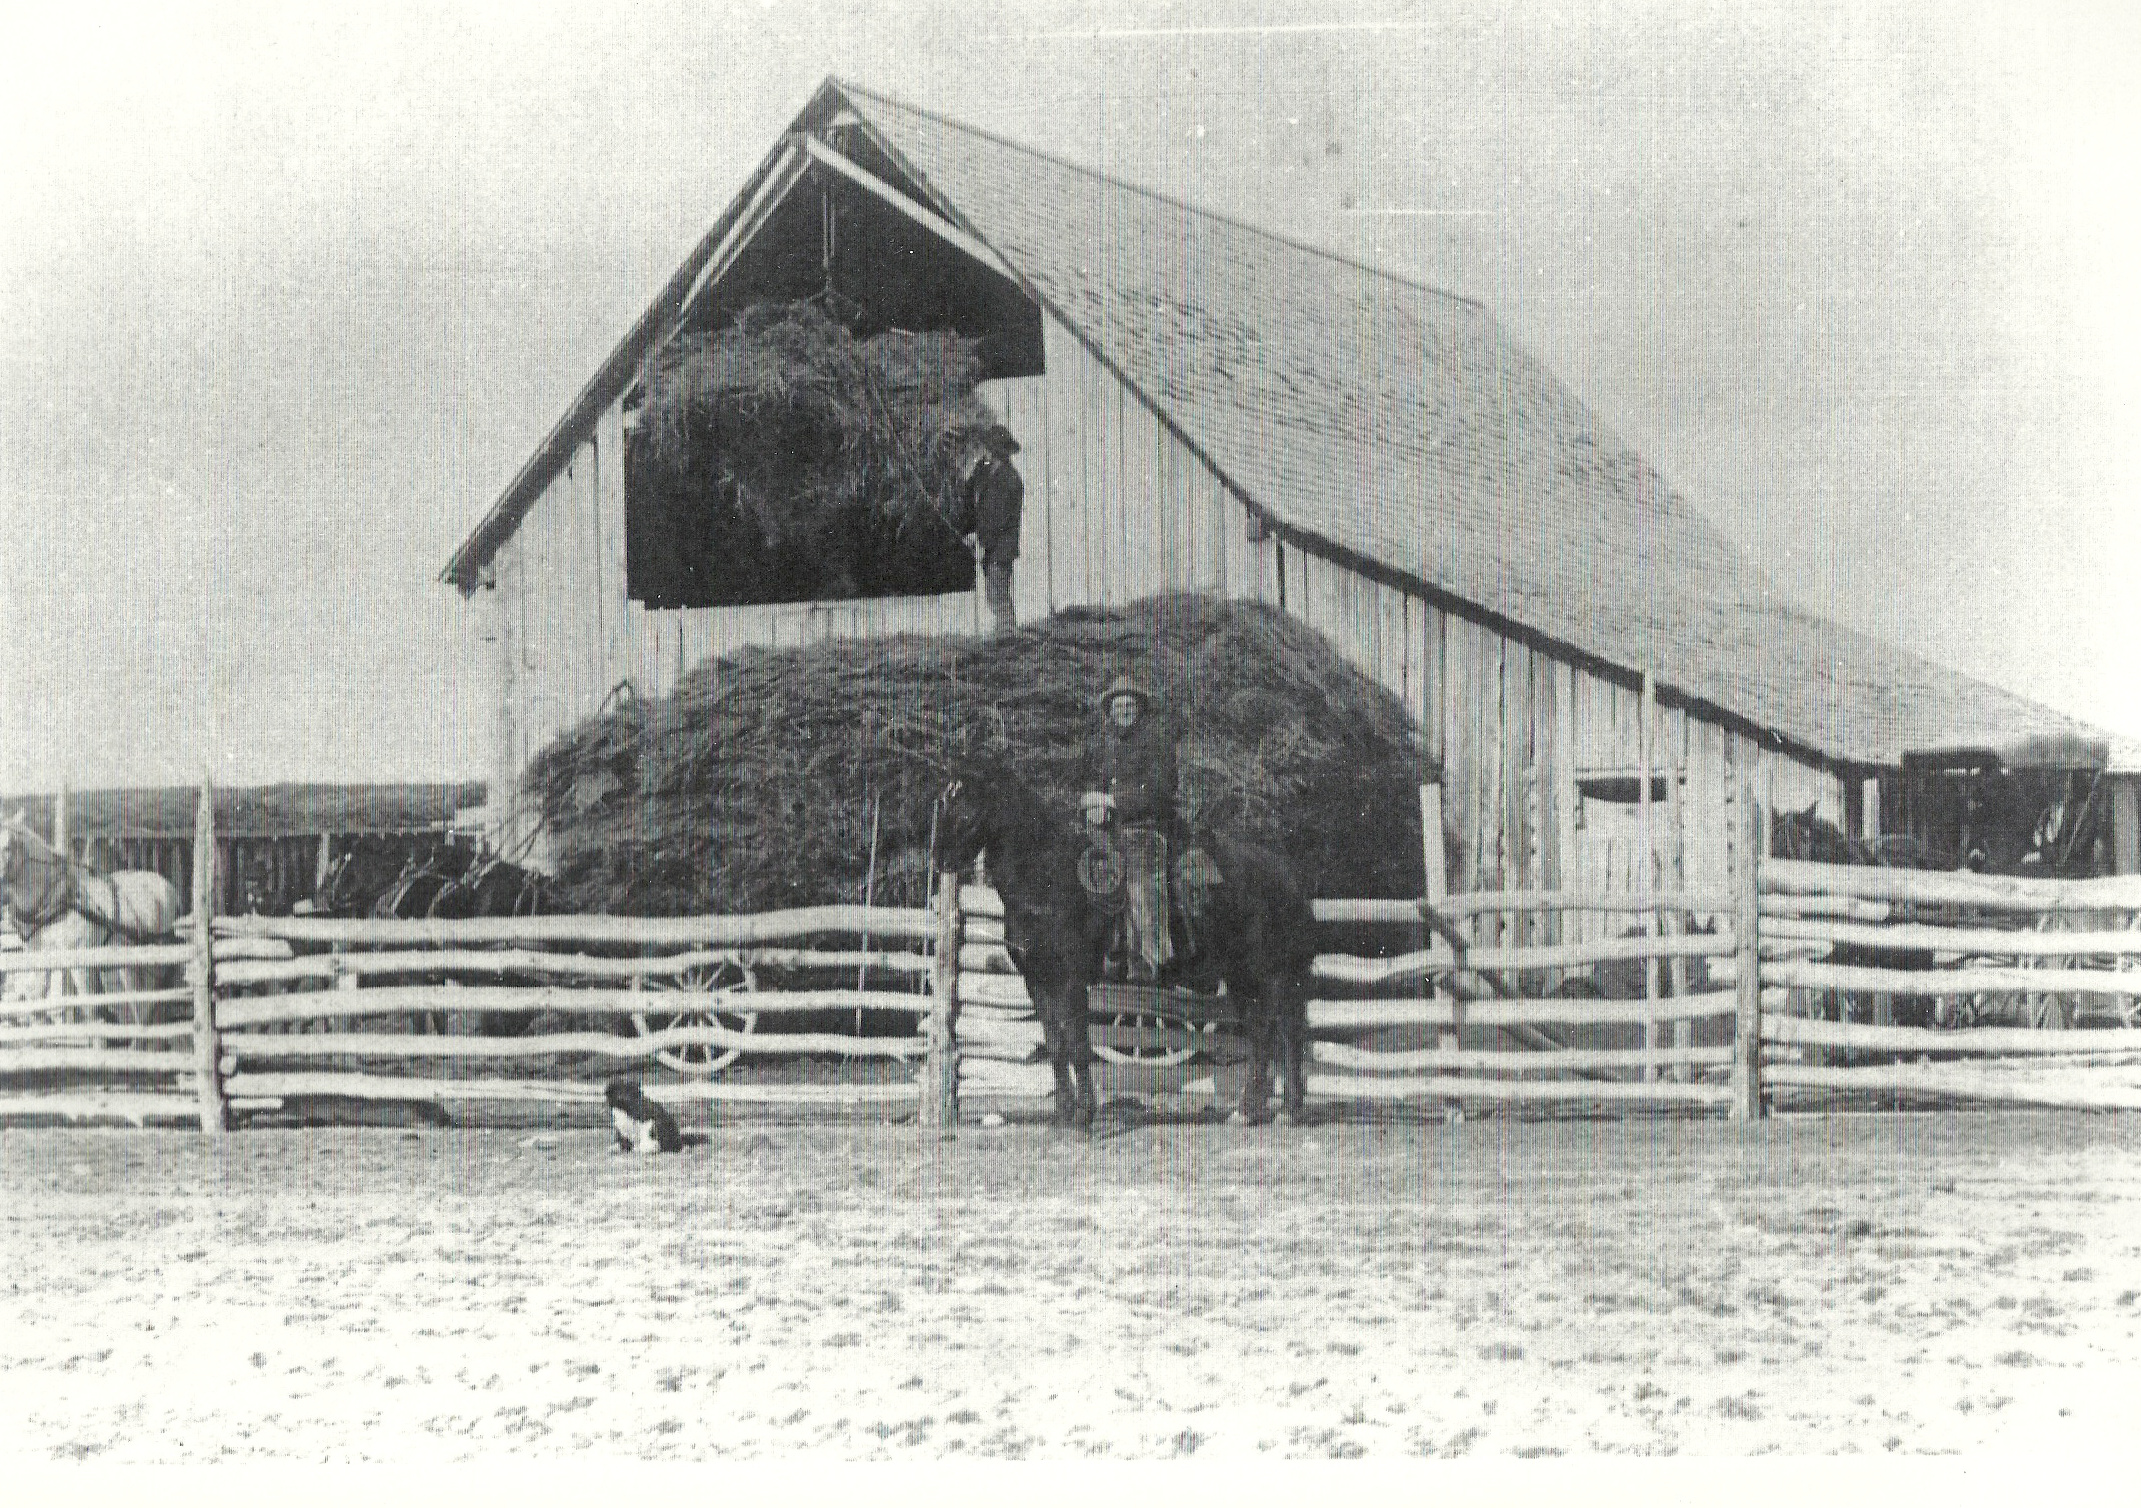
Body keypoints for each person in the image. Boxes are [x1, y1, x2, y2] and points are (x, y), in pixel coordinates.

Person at [1078, 674, 1181, 981]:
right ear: (1109, 712)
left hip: (1145, 829)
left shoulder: (1155, 741)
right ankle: (1097, 960)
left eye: (1129, 705)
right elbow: (1091, 784)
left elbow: (1159, 791)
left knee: (1141, 890)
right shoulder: (1103, 746)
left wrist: (1110, 801)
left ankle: (1154, 963)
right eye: (1117, 706)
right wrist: (1092, 804)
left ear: (1140, 709)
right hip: (1107, 832)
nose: (1123, 711)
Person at [956, 425, 1024, 633]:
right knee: (993, 591)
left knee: (998, 591)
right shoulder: (985, 472)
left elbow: (998, 518)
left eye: (987, 448)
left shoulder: (1009, 479)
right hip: (991, 543)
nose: (984, 451)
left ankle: (1007, 633)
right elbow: (969, 496)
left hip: (1001, 545)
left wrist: (981, 539)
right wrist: (968, 531)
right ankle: (1004, 633)